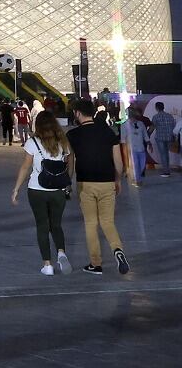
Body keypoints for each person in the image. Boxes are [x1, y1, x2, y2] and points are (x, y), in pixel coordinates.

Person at [66, 98, 130, 275]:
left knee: (91, 223)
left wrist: (68, 183)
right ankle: (117, 250)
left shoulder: (72, 135)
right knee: (108, 222)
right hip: (107, 182)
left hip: (85, 183)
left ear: (77, 113)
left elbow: (70, 162)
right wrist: (117, 180)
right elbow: (118, 161)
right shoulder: (108, 132)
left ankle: (96, 263)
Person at [11, 110, 73, 276]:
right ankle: (61, 252)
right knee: (57, 224)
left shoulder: (33, 142)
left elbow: (25, 167)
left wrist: (16, 189)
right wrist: (68, 182)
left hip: (37, 189)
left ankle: (47, 265)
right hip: (58, 190)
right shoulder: (63, 142)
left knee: (42, 226)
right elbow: (69, 162)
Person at [120, 106, 149, 187]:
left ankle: (137, 178)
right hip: (132, 149)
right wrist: (124, 149)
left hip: (141, 147)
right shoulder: (124, 125)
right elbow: (123, 139)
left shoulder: (141, 124)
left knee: (142, 165)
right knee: (135, 164)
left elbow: (145, 134)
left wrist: (148, 142)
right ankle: (137, 180)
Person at [150, 102, 175, 177]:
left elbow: (152, 128)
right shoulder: (170, 116)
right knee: (166, 154)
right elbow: (173, 127)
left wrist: (147, 136)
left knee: (163, 154)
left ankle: (166, 171)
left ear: (156, 108)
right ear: (163, 107)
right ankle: (167, 169)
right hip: (169, 137)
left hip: (160, 138)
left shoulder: (155, 117)